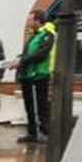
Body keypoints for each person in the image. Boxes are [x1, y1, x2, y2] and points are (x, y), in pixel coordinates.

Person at [18, 10, 56, 143]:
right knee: (29, 105)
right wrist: (18, 61)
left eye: (30, 20)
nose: (28, 22)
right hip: (27, 75)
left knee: (40, 105)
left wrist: (23, 60)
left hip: (39, 75)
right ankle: (32, 132)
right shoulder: (34, 36)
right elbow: (28, 53)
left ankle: (43, 132)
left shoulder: (47, 35)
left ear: (38, 21)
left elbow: (42, 53)